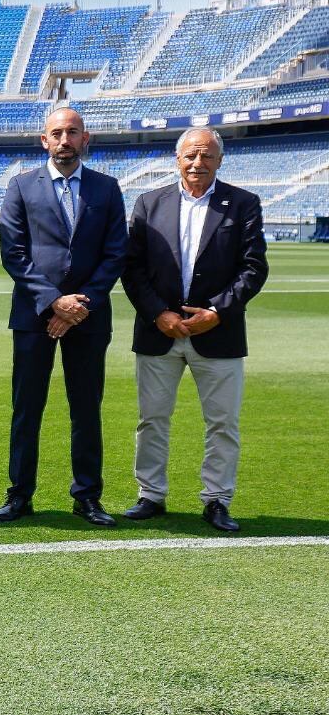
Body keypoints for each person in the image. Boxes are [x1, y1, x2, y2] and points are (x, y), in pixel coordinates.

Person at [120, 128, 268, 532]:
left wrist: (216, 313)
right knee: (152, 418)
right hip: (159, 332)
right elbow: (131, 269)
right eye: (190, 156)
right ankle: (150, 494)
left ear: (219, 160)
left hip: (218, 334)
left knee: (222, 422)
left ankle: (217, 500)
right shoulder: (150, 203)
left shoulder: (243, 204)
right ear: (177, 159)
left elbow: (254, 268)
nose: (197, 163)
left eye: (206, 156)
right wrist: (157, 314)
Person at [0, 107, 127, 526]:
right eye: (57, 133)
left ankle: (87, 496)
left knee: (86, 409)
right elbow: (14, 254)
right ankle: (19, 495)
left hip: (88, 319)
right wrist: (54, 303)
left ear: (85, 139)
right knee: (26, 408)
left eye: (72, 132)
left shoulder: (107, 188)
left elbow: (115, 253)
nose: (64, 140)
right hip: (34, 316)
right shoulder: (20, 186)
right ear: (44, 140)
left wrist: (78, 306)